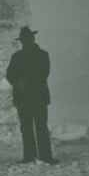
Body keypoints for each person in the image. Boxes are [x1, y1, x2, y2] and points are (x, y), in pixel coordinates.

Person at [6, 26, 57, 165]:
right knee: (26, 128)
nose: (26, 42)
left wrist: (25, 81)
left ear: (33, 39)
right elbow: (9, 74)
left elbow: (44, 72)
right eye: (24, 40)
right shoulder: (16, 57)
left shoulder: (43, 55)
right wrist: (18, 82)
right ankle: (29, 156)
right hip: (23, 98)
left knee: (41, 126)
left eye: (28, 39)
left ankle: (45, 156)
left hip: (37, 96)